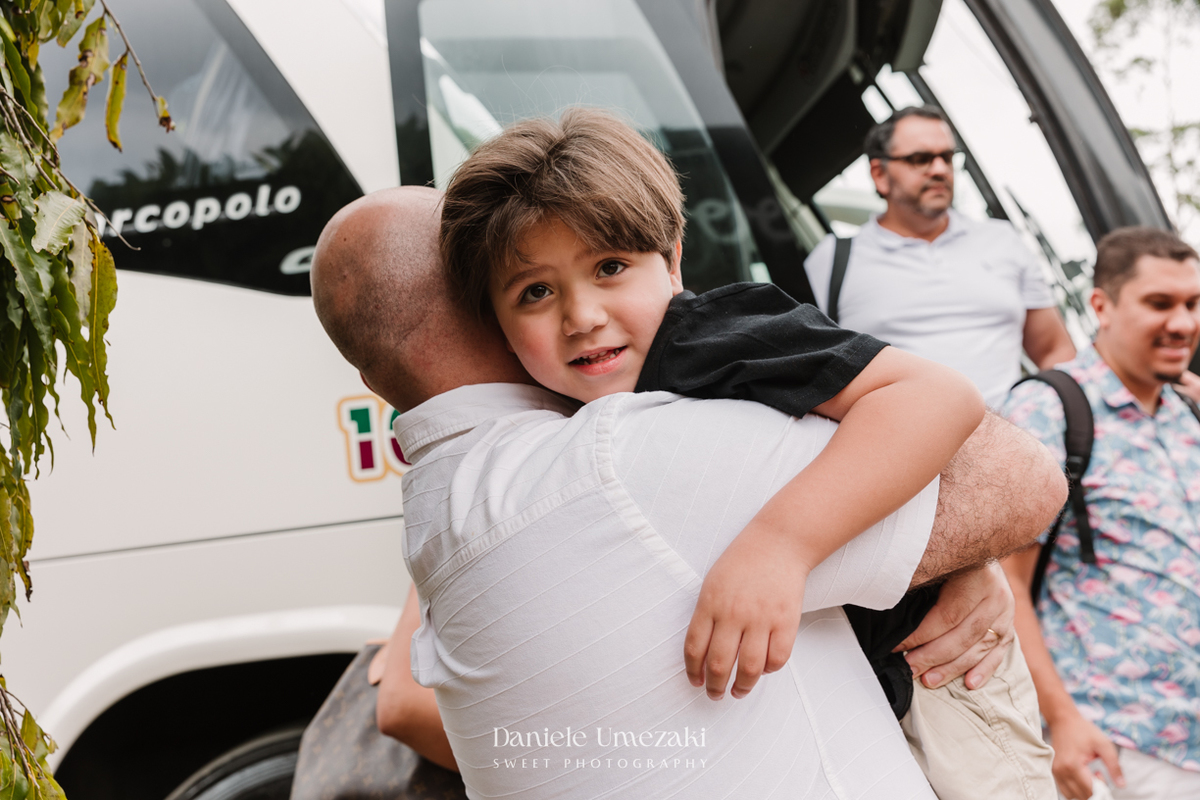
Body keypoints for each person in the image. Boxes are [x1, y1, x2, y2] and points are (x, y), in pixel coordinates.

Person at [311, 185, 1066, 798]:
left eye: (611, 267)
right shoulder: (615, 455)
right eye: (536, 289)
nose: (583, 316)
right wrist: (964, 554)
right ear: (491, 311)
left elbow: (960, 438)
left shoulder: (442, 512)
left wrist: (920, 556)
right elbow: (1014, 483)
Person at [1000, 227, 1200, 800]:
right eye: (1160, 304)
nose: (1183, 323)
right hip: (1119, 742)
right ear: (1101, 306)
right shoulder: (1050, 408)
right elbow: (1004, 580)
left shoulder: (1185, 409)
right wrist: (1061, 720)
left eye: (1192, 304)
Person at [803, 105, 1076, 408]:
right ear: (880, 175)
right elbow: (812, 374)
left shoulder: (1002, 241)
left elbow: (1054, 352)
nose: (939, 169)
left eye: (946, 157)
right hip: (901, 448)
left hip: (1016, 442)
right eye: (920, 159)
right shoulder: (831, 260)